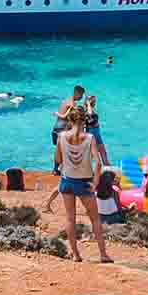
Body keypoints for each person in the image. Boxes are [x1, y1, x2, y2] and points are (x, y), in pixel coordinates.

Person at [54, 106, 113, 263]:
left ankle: (75, 255)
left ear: (70, 119)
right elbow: (98, 163)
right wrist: (95, 183)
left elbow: (58, 160)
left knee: (70, 218)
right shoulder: (89, 138)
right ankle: (103, 255)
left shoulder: (61, 136)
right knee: (94, 219)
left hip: (66, 180)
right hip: (84, 182)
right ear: (84, 120)